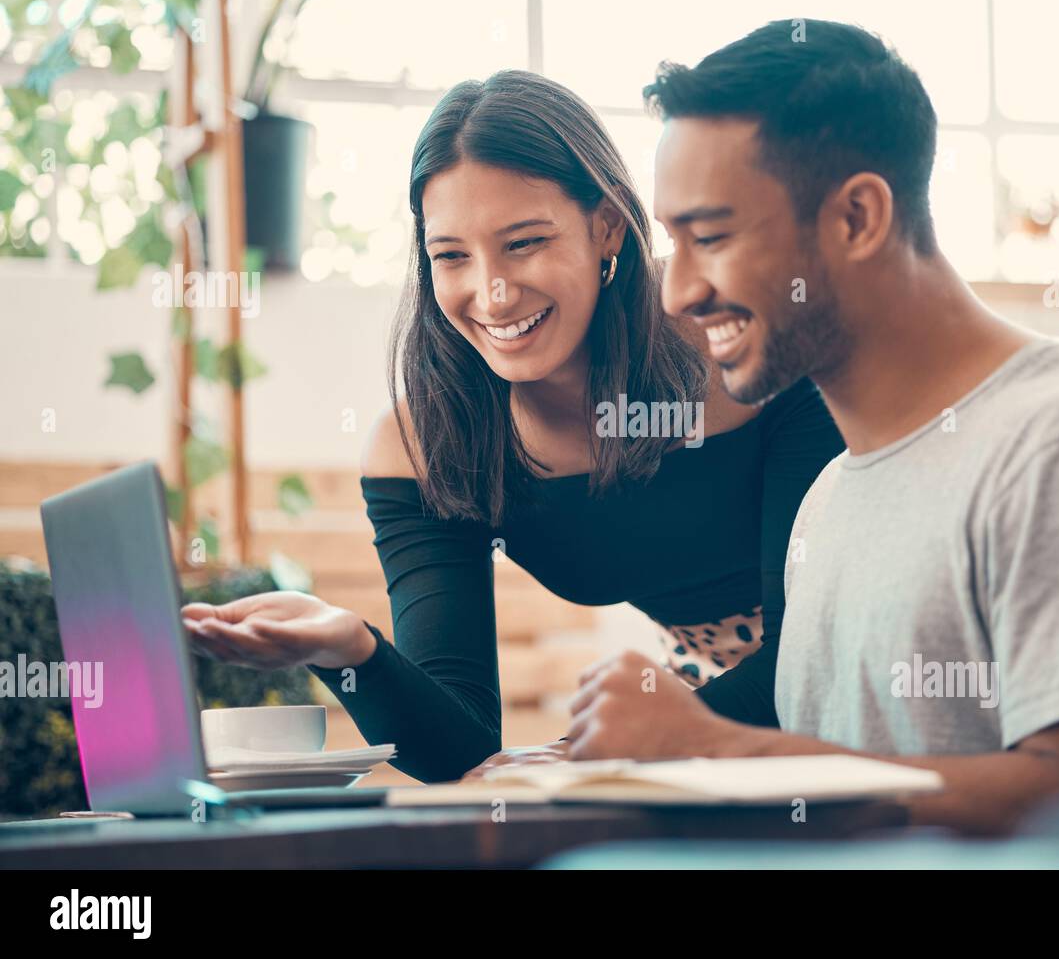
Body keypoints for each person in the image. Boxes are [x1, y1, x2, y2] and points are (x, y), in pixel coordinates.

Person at [564, 19, 1059, 866]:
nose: (680, 292)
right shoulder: (828, 500)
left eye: (713, 237)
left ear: (859, 217)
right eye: (673, 242)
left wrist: (714, 747)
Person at [181, 70, 844, 784]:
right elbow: (461, 751)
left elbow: (810, 651)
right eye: (452, 256)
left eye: (524, 242)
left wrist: (629, 740)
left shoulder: (735, 345)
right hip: (707, 715)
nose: (491, 293)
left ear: (607, 224)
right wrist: (350, 651)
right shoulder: (426, 444)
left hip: (852, 676)